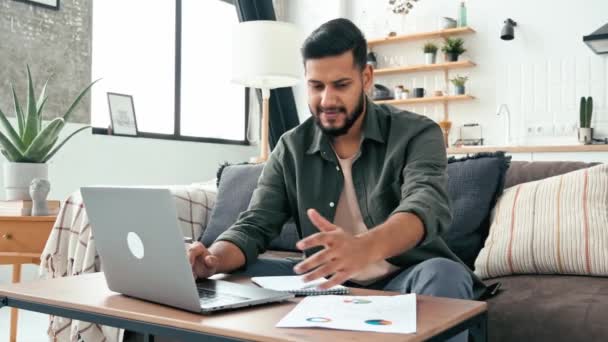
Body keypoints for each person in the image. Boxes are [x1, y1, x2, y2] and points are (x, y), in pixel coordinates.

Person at [188, 18, 485, 342]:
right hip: (324, 284)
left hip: (402, 277)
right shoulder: (291, 145)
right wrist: (212, 260)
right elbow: (254, 225)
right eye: (316, 86)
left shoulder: (418, 132)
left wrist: (364, 247)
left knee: (445, 274)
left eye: (341, 84)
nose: (327, 99)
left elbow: (426, 203)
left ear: (366, 78)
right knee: (231, 278)